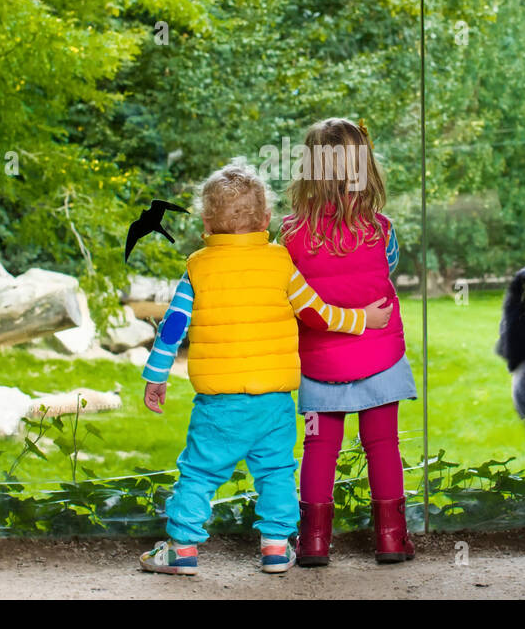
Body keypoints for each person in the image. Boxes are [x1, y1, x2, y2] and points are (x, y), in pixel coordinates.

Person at [138, 160, 392, 575]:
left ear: (206, 223)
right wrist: (363, 318)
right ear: (267, 219)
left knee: (199, 472)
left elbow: (173, 327)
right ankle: (276, 547)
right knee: (276, 471)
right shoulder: (279, 262)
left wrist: (156, 375)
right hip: (273, 401)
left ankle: (182, 548)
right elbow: (316, 312)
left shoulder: (198, 267)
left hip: (218, 402)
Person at [281, 118, 418, 566]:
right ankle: (392, 538)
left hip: (320, 362)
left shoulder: (290, 235)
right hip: (380, 355)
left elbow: (288, 291)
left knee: (319, 447)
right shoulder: (381, 228)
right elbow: (387, 268)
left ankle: (315, 542)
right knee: (383, 444)